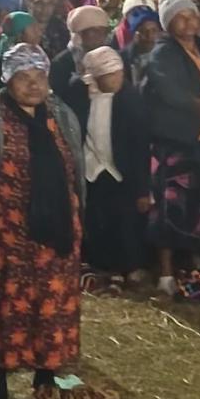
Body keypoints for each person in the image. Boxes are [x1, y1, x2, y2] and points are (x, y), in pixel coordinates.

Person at [0, 44, 87, 399]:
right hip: (4, 232)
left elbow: (74, 166)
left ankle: (44, 379)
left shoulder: (60, 114)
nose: (33, 85)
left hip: (57, 229)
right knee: (2, 306)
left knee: (52, 304)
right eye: (23, 78)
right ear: (7, 80)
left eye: (39, 77)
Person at [143, 0, 200, 293]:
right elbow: (166, 87)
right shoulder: (162, 53)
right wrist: (196, 104)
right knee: (170, 206)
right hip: (177, 138)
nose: (189, 21)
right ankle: (167, 272)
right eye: (181, 16)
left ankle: (198, 270)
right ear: (169, 24)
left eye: (192, 14)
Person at [60, 47, 152, 283]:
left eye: (119, 74)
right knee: (95, 218)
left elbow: (140, 146)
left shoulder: (131, 100)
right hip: (92, 169)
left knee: (125, 219)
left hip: (122, 170)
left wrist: (143, 189)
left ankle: (130, 266)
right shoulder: (79, 95)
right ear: (95, 76)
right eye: (109, 75)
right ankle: (101, 265)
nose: (116, 80)